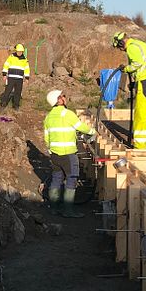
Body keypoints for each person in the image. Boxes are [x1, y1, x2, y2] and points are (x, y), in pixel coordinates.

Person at [43, 90, 96, 218]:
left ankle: (54, 208)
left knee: (56, 179)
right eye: (63, 96)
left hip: (55, 155)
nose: (65, 98)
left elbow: (46, 138)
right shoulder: (67, 114)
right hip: (68, 154)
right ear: (59, 100)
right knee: (71, 179)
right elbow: (81, 127)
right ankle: (68, 210)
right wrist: (93, 131)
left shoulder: (48, 117)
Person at [0, 43, 30, 111]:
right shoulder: (11, 57)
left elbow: (27, 69)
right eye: (18, 51)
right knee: (7, 91)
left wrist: (27, 78)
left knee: (18, 92)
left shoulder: (25, 59)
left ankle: (16, 106)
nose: (19, 53)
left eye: (21, 51)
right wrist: (4, 74)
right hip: (11, 78)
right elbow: (6, 65)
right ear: (16, 51)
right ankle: (3, 104)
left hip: (19, 79)